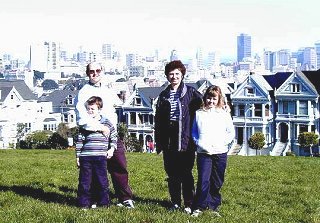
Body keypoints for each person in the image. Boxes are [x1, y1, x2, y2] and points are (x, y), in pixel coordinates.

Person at [75, 62, 134, 208]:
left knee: (119, 165)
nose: (95, 73)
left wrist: (111, 130)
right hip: (93, 135)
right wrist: (100, 128)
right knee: (95, 170)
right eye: (91, 71)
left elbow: (114, 109)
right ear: (87, 73)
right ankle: (95, 199)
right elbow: (81, 118)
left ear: (102, 71)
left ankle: (125, 198)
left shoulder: (107, 89)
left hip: (111, 133)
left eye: (98, 70)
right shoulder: (83, 92)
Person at [155, 60, 202, 214]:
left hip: (186, 136)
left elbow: (205, 106)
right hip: (169, 137)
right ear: (167, 76)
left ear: (182, 75)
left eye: (177, 74)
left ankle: (189, 203)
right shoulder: (163, 95)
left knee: (186, 172)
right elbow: (158, 120)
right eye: (171, 74)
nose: (174, 77)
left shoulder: (191, 93)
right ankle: (175, 202)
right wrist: (159, 142)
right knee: (172, 173)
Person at [191, 85, 235, 217]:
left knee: (217, 181)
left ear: (219, 99)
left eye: (214, 98)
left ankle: (213, 206)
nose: (211, 101)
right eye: (209, 98)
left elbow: (231, 132)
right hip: (204, 153)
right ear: (205, 98)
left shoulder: (224, 114)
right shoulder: (199, 114)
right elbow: (194, 132)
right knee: (203, 180)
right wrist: (199, 143)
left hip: (220, 152)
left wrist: (223, 143)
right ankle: (199, 206)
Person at [76, 96, 117, 209]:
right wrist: (78, 156)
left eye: (92, 109)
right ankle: (84, 204)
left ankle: (103, 203)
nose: (90, 112)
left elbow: (113, 137)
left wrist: (111, 149)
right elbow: (80, 140)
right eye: (88, 109)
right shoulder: (85, 124)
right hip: (86, 157)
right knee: (85, 182)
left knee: (102, 181)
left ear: (99, 109)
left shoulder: (107, 123)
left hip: (100, 156)